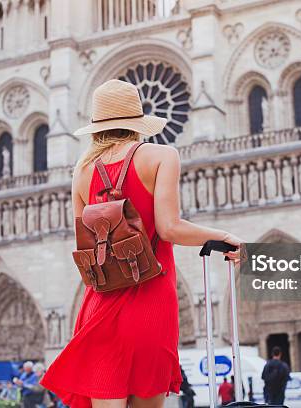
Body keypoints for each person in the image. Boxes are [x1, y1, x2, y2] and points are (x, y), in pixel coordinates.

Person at [39, 79, 242, 408]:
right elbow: (169, 228)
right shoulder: (162, 156)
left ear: (96, 127)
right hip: (151, 302)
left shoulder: (82, 172)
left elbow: (87, 248)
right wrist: (222, 237)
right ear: (137, 123)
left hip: (100, 304)